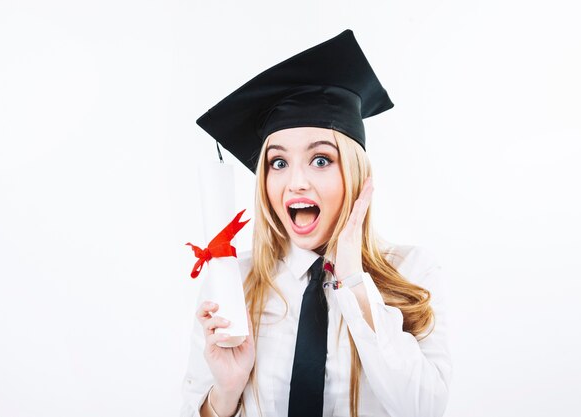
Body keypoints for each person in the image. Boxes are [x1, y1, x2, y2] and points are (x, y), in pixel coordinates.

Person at [181, 30, 451, 417]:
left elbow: (424, 409)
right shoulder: (232, 283)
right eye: (278, 163)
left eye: (321, 159)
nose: (296, 182)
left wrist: (353, 280)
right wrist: (225, 391)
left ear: (355, 175)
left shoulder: (413, 270)